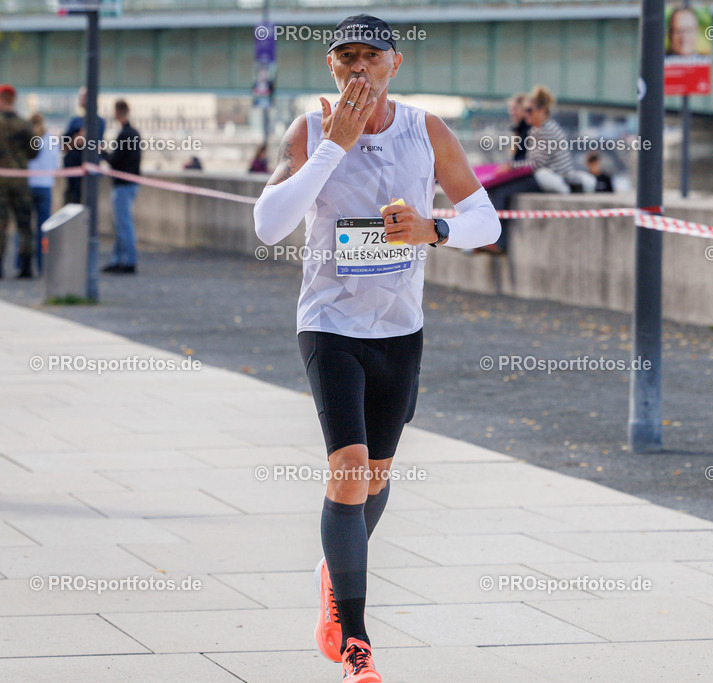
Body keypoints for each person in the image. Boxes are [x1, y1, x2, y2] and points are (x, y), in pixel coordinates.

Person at [252, 14, 499, 683]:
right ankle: (356, 641)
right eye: (346, 56)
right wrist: (334, 146)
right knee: (350, 465)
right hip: (329, 324)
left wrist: (433, 228)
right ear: (331, 66)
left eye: (371, 55)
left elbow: (486, 219)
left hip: (398, 329)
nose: (358, 67)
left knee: (377, 477)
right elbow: (269, 224)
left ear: (396, 63)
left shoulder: (426, 130)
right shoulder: (309, 130)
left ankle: (335, 572)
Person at [484, 84, 574, 254]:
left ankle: (498, 242)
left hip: (549, 178)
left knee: (501, 192)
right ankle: (491, 239)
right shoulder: (540, 129)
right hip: (543, 176)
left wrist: (511, 167)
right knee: (498, 191)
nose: (526, 114)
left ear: (542, 111)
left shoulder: (545, 130)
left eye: (529, 110)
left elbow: (536, 164)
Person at [0, 84, 38, 280]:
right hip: (20, 180)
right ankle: (26, 267)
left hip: (0, 182)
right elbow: (34, 151)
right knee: (24, 224)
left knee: (1, 225)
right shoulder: (25, 125)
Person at [101, 99, 141, 275]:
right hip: (131, 183)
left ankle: (128, 260)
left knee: (123, 224)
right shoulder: (134, 133)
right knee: (121, 224)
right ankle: (118, 259)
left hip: (123, 185)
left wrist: (102, 152)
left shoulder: (124, 135)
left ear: (117, 112)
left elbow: (116, 161)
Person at [27, 112, 59, 274]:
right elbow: (56, 163)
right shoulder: (51, 139)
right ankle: (42, 266)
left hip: (28, 185)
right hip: (45, 185)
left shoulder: (27, 138)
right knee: (44, 229)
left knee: (24, 228)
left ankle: (23, 265)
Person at [62, 86, 105, 205]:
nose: (82, 99)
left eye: (85, 96)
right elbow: (64, 146)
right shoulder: (75, 121)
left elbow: (96, 144)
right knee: (73, 199)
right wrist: (75, 140)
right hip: (73, 170)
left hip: (88, 171)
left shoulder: (98, 122)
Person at [507, 93, 530, 162]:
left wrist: (511, 166)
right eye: (511, 109)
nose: (512, 113)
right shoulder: (520, 130)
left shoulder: (529, 131)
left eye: (515, 109)